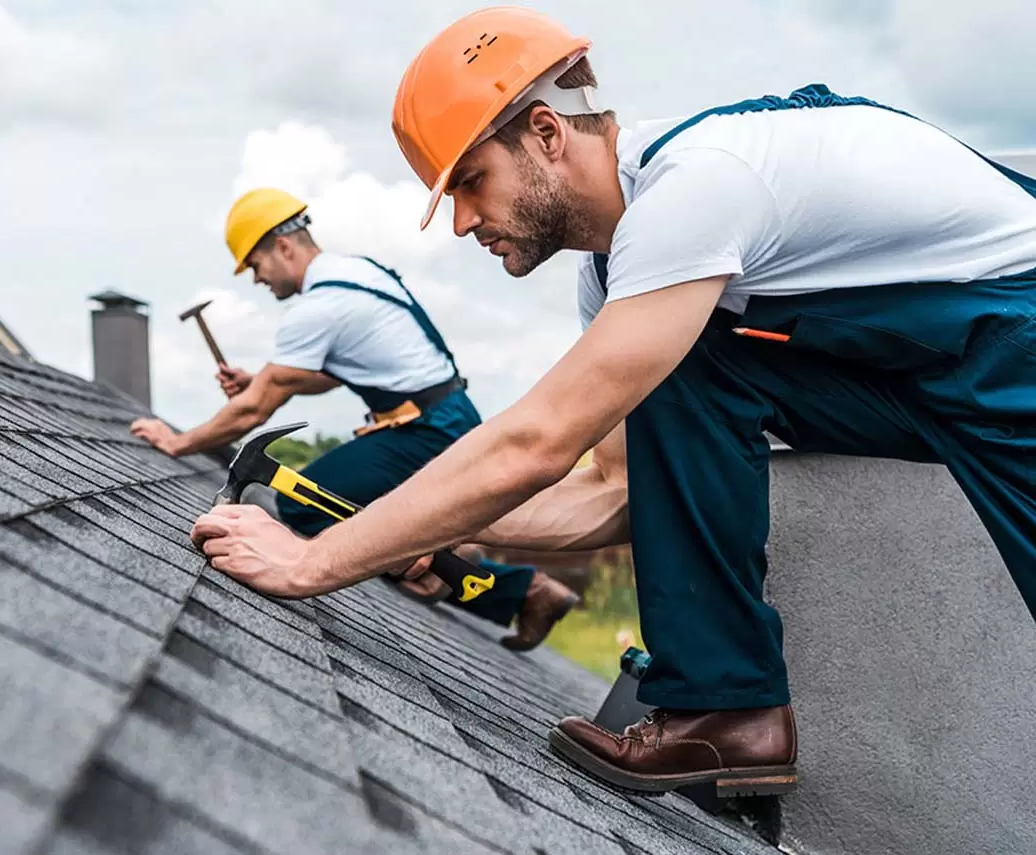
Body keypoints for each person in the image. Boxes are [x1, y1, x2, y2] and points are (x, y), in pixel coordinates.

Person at [188, 6, 1036, 798]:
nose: (461, 224)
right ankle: (728, 708)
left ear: (547, 134)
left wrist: (315, 560)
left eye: (472, 182)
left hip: (1015, 337)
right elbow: (616, 490)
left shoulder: (696, 191)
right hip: (924, 370)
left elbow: (537, 442)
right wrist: (425, 530)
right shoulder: (623, 281)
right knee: (688, 365)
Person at [130, 186, 580, 650]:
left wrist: (178, 442)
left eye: (256, 266)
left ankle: (492, 579)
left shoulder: (319, 306)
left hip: (424, 430)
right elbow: (325, 376)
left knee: (302, 504)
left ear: (283, 247)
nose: (258, 280)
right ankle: (499, 582)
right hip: (441, 417)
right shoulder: (356, 274)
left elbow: (254, 410)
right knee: (372, 515)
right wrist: (260, 380)